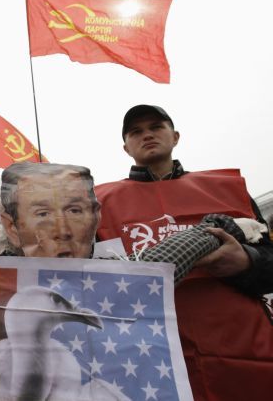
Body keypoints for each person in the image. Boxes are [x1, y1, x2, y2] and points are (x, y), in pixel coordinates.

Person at [94, 104, 273, 400]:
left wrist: (245, 261)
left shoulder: (226, 189)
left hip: (242, 353)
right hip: (149, 362)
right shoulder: (98, 204)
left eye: (156, 127)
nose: (147, 135)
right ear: (125, 147)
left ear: (175, 136)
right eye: (136, 132)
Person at [1, 163, 100, 258]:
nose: (63, 232)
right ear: (11, 228)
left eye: (74, 211)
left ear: (96, 218)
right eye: (43, 214)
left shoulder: (114, 271)